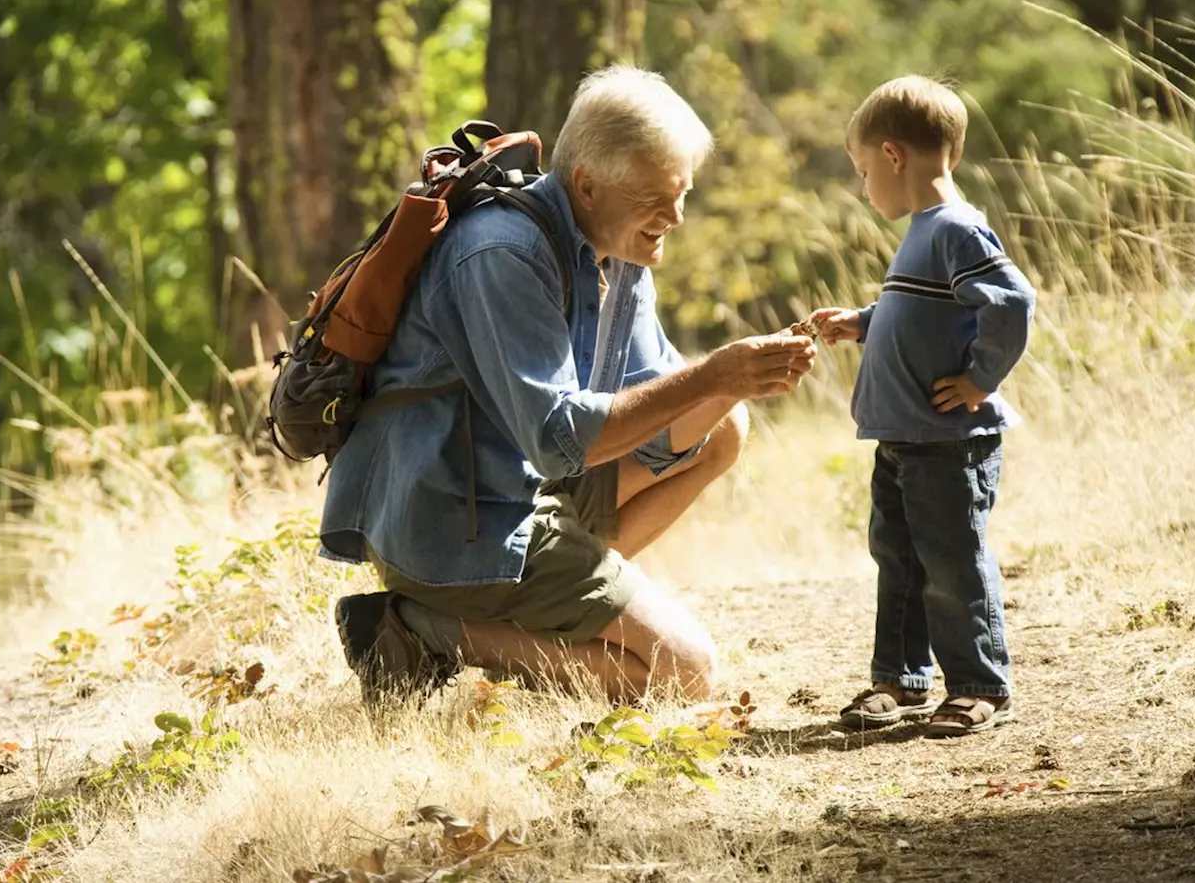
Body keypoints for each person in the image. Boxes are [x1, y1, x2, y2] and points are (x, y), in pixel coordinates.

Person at [319, 65, 818, 705]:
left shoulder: (622, 250)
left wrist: (734, 384)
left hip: (525, 488)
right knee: (684, 673)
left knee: (724, 425)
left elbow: (652, 409)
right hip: (454, 519)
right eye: (657, 197)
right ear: (586, 185)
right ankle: (423, 629)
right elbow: (560, 441)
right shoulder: (501, 252)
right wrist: (715, 371)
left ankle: (542, 616)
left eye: (683, 193)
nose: (677, 216)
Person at [811, 75, 1036, 737]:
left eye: (860, 171)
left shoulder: (956, 229)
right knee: (900, 557)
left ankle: (978, 685)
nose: (862, 187)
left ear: (890, 155)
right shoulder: (923, 233)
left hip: (946, 439)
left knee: (950, 560)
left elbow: (1011, 302)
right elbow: (924, 313)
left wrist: (980, 380)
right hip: (904, 433)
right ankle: (901, 680)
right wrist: (862, 321)